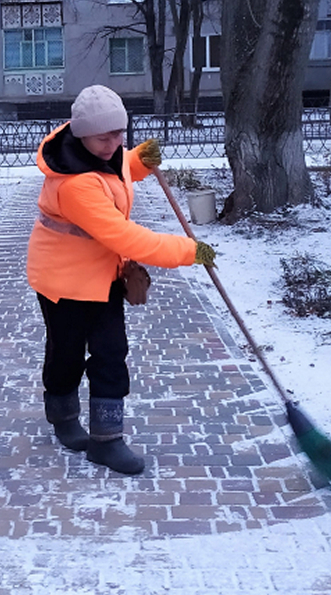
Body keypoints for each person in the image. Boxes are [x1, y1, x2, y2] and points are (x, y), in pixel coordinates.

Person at [26, 85, 215, 475]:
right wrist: (191, 252)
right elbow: (127, 238)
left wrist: (142, 159)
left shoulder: (101, 154)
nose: (113, 144)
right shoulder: (75, 184)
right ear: (81, 135)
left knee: (111, 352)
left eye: (119, 134)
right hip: (63, 282)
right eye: (104, 137)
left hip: (103, 275)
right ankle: (62, 416)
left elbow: (120, 167)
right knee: (67, 352)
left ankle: (106, 441)